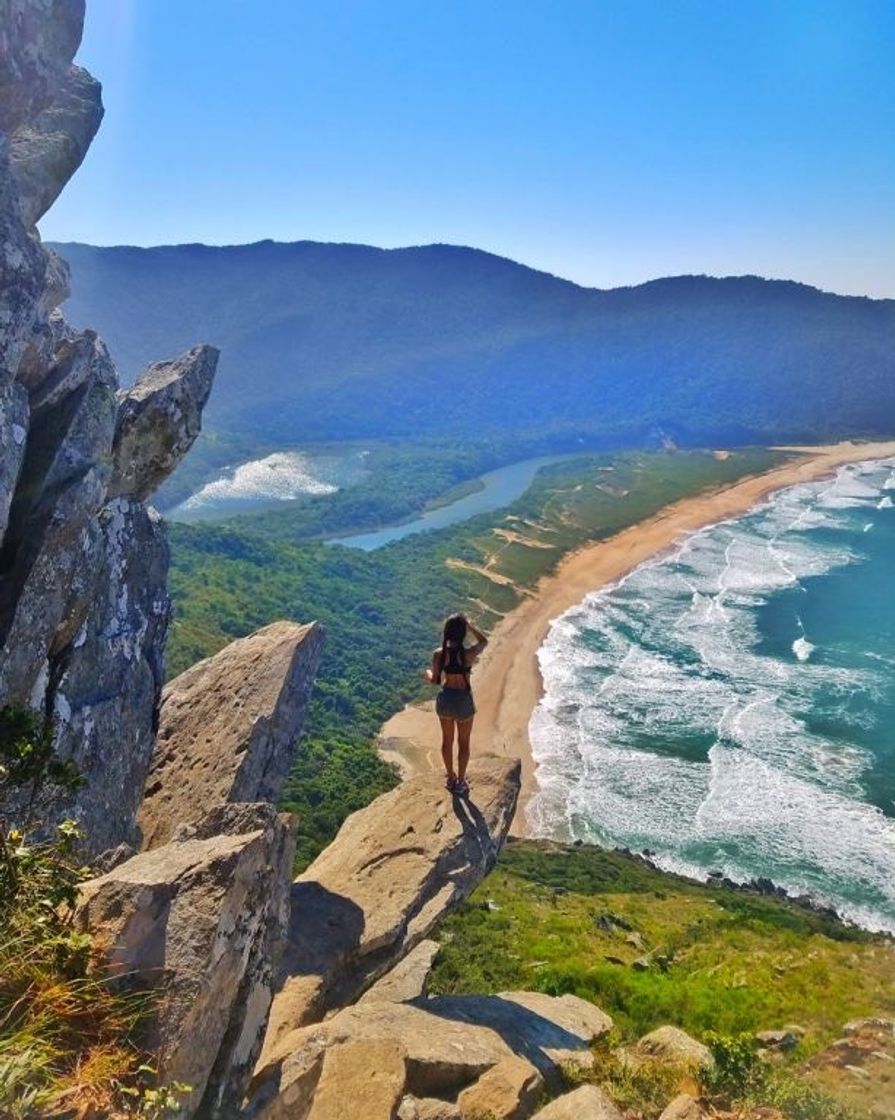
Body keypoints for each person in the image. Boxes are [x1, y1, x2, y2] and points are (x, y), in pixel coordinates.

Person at [426, 613, 488, 795]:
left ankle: (450, 777)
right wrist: (469, 626)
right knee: (464, 743)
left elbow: (435, 680)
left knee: (447, 741)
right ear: (462, 634)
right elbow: (484, 641)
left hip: (445, 699)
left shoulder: (439, 654)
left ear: (446, 633)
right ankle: (461, 782)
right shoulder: (468, 654)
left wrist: (427, 673)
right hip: (463, 700)